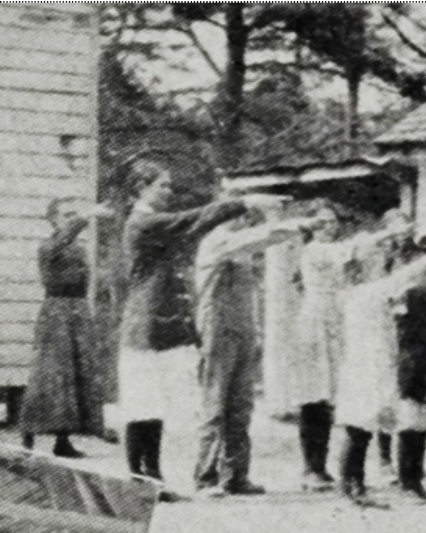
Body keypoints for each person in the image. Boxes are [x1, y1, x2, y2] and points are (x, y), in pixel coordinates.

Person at [116, 160, 273, 501]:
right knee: (141, 407)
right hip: (144, 328)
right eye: (162, 185)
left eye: (170, 186)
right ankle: (137, 483)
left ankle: (152, 480)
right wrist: (243, 203)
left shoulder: (152, 222)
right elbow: (189, 220)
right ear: (140, 189)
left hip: (163, 327)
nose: (169, 192)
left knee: (156, 409)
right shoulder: (142, 223)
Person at [334, 237, 426, 507]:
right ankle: (350, 488)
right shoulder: (371, 290)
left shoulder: (361, 290)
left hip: (369, 360)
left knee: (362, 427)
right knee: (360, 427)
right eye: (376, 258)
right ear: (364, 265)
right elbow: (410, 273)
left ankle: (353, 487)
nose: (382, 263)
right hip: (369, 361)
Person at [192, 205, 323, 497]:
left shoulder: (243, 248)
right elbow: (261, 237)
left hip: (242, 328)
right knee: (214, 404)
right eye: (236, 214)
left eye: (244, 214)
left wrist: (255, 331)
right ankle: (205, 477)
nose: (242, 219)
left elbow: (251, 286)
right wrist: (298, 223)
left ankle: (236, 475)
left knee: (241, 406)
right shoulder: (218, 240)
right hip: (217, 327)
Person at [286, 205, 411, 492]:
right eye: (323, 222)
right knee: (314, 394)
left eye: (333, 221)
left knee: (331, 395)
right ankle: (312, 468)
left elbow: (364, 258)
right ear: (313, 226)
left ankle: (325, 467)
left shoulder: (338, 248)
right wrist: (387, 232)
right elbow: (353, 250)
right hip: (316, 320)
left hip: (338, 318)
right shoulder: (314, 250)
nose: (330, 227)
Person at [18, 199, 112, 457]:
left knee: (75, 373)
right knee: (48, 374)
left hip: (78, 310)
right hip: (56, 311)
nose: (71, 219)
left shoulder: (79, 249)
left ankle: (63, 440)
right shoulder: (48, 246)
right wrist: (85, 216)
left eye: (74, 215)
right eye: (66, 215)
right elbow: (62, 241)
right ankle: (28, 435)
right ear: (54, 220)